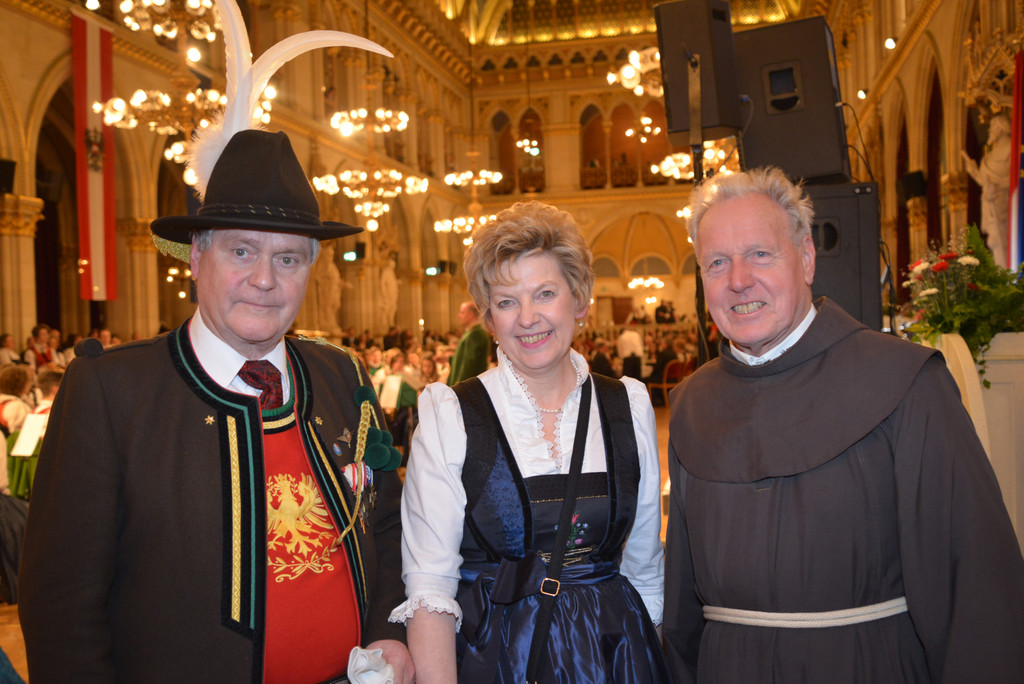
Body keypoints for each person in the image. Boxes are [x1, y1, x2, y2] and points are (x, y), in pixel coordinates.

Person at [18, 127, 412, 683]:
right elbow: (62, 609)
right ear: (197, 256)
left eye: (288, 259)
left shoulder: (340, 374)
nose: (264, 279)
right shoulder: (111, 391)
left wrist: (389, 630)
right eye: (241, 251)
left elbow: (389, 526)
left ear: (309, 269)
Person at [663, 167, 1024, 683]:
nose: (738, 280)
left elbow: (973, 587)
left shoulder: (905, 381)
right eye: (717, 262)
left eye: (760, 254)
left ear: (807, 258)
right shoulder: (693, 404)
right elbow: (681, 610)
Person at [392, 200, 669, 682]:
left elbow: (645, 569)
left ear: (579, 301)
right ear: (488, 318)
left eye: (545, 293)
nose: (527, 317)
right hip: (497, 658)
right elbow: (430, 588)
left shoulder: (628, 405)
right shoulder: (451, 415)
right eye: (506, 302)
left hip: (615, 656)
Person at [445, 301, 491, 385]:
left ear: (471, 315)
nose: (459, 316)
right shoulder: (471, 332)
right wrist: (447, 359)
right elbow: (463, 359)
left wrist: (458, 386)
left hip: (468, 387)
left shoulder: (476, 333)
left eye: (462, 312)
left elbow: (468, 365)